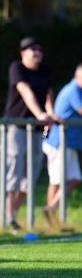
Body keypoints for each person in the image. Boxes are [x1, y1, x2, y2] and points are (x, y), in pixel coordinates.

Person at [3, 36, 54, 232]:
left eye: (39, 49)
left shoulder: (45, 70)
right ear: (22, 53)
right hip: (17, 126)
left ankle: (12, 218)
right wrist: (40, 114)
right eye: (32, 49)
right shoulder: (17, 67)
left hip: (37, 129)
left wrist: (49, 114)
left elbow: (48, 94)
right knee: (14, 172)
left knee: (30, 175)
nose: (36, 52)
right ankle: (7, 218)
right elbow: (25, 91)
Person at [41, 64, 82, 225]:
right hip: (58, 143)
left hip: (69, 144)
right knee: (56, 180)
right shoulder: (73, 90)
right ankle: (50, 221)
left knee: (74, 178)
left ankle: (51, 209)